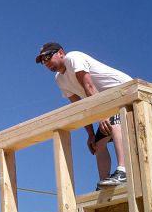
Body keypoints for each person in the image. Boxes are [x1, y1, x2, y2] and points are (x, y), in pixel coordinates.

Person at [36, 42, 132, 188]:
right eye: (43, 61)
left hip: (125, 92)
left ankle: (123, 171)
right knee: (99, 143)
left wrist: (103, 116)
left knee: (113, 121)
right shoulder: (60, 79)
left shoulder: (73, 58)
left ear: (61, 52)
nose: (46, 63)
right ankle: (104, 183)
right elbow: (79, 107)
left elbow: (89, 87)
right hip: (106, 102)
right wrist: (91, 134)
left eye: (48, 57)